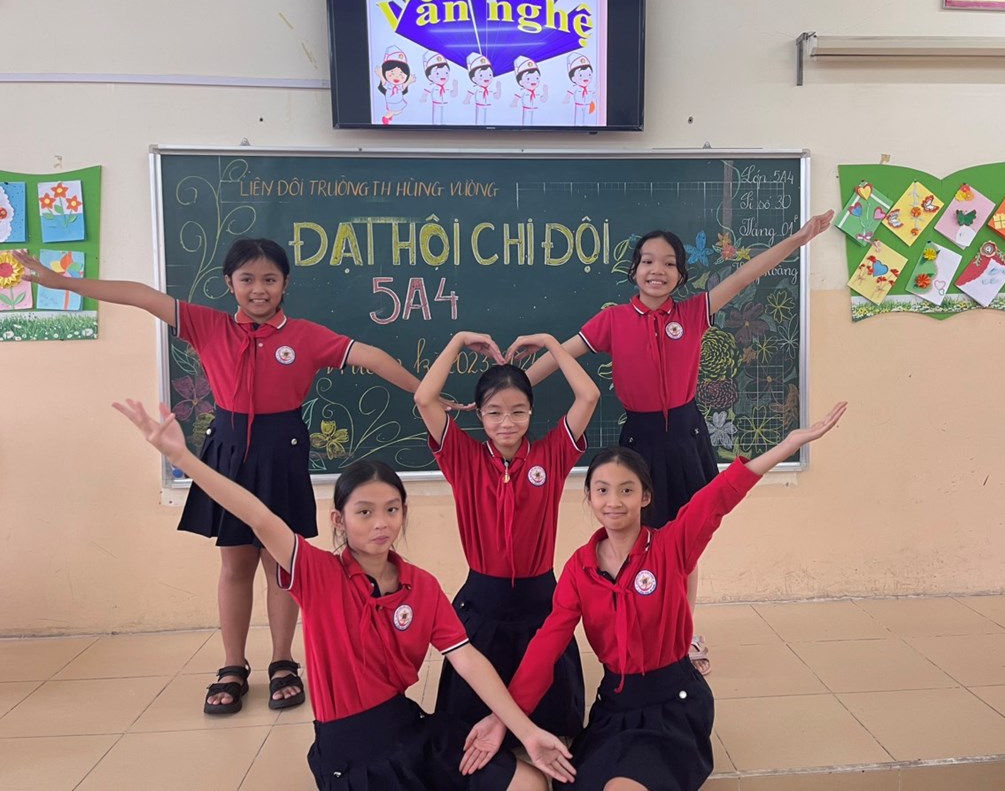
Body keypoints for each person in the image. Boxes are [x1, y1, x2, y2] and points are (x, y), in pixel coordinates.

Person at [14, 238, 424, 715]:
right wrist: (60, 282)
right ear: (229, 283)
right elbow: (141, 295)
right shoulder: (206, 325)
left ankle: (283, 662)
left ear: (285, 284)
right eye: (247, 279)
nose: (258, 289)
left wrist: (426, 394)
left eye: (269, 279)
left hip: (282, 453)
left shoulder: (306, 336)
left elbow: (372, 357)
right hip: (227, 453)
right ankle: (232, 665)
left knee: (283, 566)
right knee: (234, 564)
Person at [113, 399, 577, 790]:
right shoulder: (316, 574)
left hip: (410, 728)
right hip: (352, 754)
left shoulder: (422, 586)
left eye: (391, 510)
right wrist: (184, 458)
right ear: (339, 520)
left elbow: (468, 659)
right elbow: (258, 515)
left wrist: (524, 731)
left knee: (530, 783)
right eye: (365, 512)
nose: (381, 523)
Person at [462, 403, 848, 791]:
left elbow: (717, 497)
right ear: (589, 497)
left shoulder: (671, 546)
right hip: (614, 709)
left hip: (671, 707)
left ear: (646, 496)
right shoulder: (580, 569)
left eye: (627, 490)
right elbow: (546, 647)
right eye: (602, 490)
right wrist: (505, 718)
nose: (614, 501)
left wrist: (789, 445)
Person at [523, 212, 834, 674]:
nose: (658, 270)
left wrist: (799, 238)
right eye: (648, 261)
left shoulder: (693, 313)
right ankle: (647, 625)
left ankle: (683, 634)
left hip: (687, 437)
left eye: (669, 263)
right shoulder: (612, 320)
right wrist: (509, 391)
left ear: (681, 275)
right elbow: (559, 356)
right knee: (639, 538)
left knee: (685, 543)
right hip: (640, 441)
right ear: (634, 270)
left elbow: (746, 275)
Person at [415, 331, 600, 740]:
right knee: (467, 722)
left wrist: (551, 343)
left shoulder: (551, 455)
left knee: (553, 717)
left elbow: (588, 396)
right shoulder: (463, 457)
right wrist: (457, 340)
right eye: (494, 412)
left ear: (531, 412)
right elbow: (425, 398)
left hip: (541, 601)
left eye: (518, 411)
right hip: (483, 602)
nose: (506, 423)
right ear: (479, 414)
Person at [376, 45, 415, 125]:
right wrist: (380, 75)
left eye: (401, 74)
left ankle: (390, 115)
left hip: (398, 101)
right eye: (392, 73)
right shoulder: (389, 85)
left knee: (399, 110)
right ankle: (386, 117)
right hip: (392, 101)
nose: (397, 77)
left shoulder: (399, 86)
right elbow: (383, 82)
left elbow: (404, 86)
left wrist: (409, 81)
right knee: (396, 111)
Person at [464, 52, 501, 126]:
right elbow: (468, 97)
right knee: (479, 122)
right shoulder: (475, 88)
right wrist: (466, 102)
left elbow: (496, 96)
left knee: (491, 122)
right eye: (481, 75)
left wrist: (499, 88)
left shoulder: (491, 88)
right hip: (479, 108)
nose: (487, 77)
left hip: (490, 109)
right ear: (474, 78)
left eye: (490, 75)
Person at [420, 50, 457, 125]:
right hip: (436, 106)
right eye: (437, 73)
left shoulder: (447, 86)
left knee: (447, 121)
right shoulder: (432, 86)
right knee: (436, 120)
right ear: (430, 76)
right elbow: (425, 94)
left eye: (446, 73)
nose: (443, 76)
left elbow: (453, 94)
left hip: (447, 106)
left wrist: (455, 86)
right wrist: (423, 99)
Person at [511, 56, 548, 127]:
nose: (533, 81)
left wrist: (545, 92)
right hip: (527, 113)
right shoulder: (522, 92)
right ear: (521, 82)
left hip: (538, 114)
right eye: (528, 78)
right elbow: (514, 102)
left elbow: (543, 100)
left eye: (537, 78)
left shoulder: (538, 92)